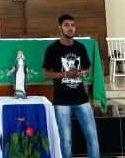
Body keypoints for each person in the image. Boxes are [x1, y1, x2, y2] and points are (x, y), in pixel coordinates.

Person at [42, 14, 100, 158]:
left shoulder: (80, 47)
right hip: (62, 102)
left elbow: (87, 69)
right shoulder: (52, 49)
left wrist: (83, 73)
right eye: (66, 25)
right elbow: (45, 73)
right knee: (66, 141)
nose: (70, 28)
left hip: (82, 100)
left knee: (93, 139)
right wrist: (66, 75)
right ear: (60, 27)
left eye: (72, 25)